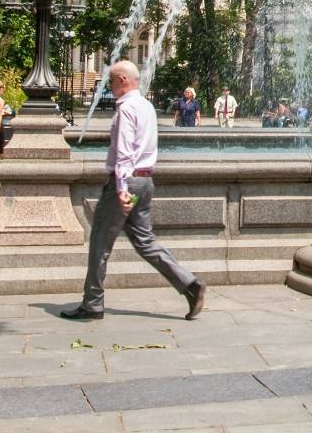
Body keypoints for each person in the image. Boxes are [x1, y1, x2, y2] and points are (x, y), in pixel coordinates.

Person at [61, 60, 206, 322]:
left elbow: (124, 151)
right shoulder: (147, 107)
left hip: (126, 183)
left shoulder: (126, 109)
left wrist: (120, 188)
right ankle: (189, 284)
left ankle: (92, 303)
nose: (110, 87)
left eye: (112, 81)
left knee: (99, 243)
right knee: (145, 242)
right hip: (145, 181)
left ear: (124, 81)